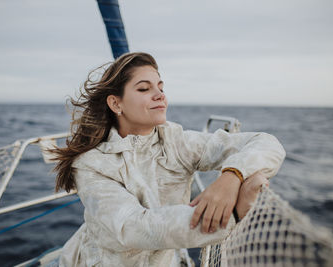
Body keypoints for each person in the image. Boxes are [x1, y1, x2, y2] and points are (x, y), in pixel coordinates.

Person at [53, 52, 286, 266]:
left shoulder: (177, 142)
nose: (160, 95)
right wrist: (233, 214)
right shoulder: (90, 164)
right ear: (116, 103)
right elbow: (132, 227)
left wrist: (232, 175)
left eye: (161, 87)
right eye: (144, 89)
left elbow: (266, 142)